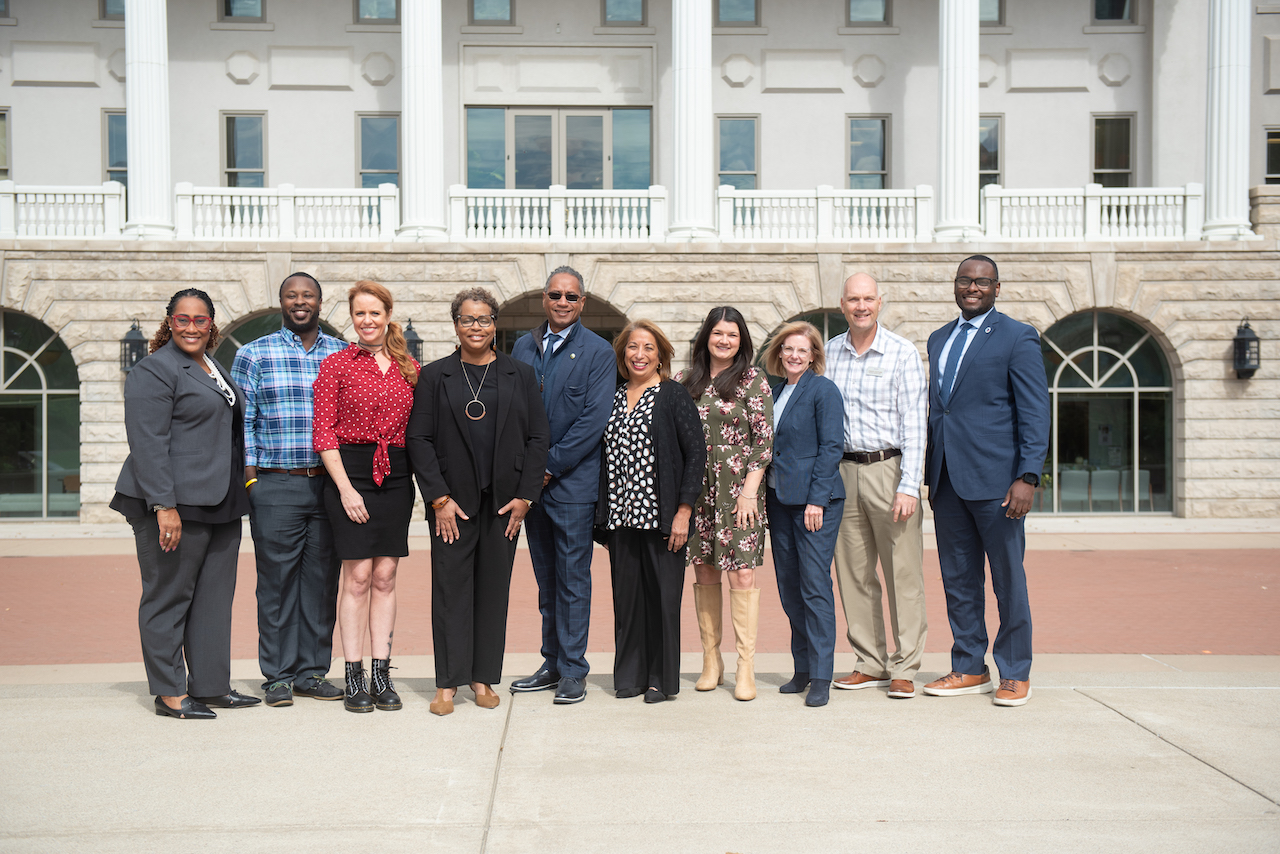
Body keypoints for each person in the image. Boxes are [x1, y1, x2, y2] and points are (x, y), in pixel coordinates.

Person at [111, 288, 258, 719]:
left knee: (214, 598)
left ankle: (211, 686)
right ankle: (171, 691)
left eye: (200, 320)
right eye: (183, 319)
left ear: (211, 323)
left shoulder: (212, 367)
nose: (191, 327)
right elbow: (148, 443)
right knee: (168, 597)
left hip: (221, 499)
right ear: (169, 322)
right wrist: (164, 506)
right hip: (173, 501)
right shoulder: (154, 370)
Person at [407, 287, 549, 717]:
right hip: (453, 505)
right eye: (468, 320)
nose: (476, 327)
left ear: (494, 325)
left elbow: (538, 437)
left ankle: (482, 677)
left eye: (484, 319)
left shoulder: (519, 374)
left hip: (503, 505)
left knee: (493, 592)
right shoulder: (436, 376)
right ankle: (447, 683)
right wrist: (438, 499)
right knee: (451, 592)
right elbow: (420, 439)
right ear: (455, 325)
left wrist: (526, 496)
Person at [922, 255, 1050, 707]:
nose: (972, 287)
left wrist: (1028, 476)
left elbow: (1035, 411)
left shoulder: (1018, 337)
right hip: (947, 480)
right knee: (958, 579)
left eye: (982, 281)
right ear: (955, 286)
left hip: (999, 483)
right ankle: (969, 666)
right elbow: (942, 411)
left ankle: (1015, 671)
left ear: (998, 288)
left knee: (1007, 579)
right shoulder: (939, 338)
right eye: (964, 280)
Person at [231, 272, 347, 708]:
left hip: (329, 487)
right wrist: (251, 481)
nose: (300, 302)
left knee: (320, 582)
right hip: (276, 485)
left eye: (308, 295)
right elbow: (245, 424)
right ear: (280, 301)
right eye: (291, 296)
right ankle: (278, 676)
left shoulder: (342, 353)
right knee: (276, 583)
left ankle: (312, 671)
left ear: (320, 301)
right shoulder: (253, 354)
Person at [509, 266, 615, 705]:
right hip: (532, 489)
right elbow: (513, 413)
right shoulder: (521, 347)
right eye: (555, 295)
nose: (563, 303)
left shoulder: (599, 351)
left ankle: (574, 670)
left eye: (572, 297)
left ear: (582, 302)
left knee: (574, 580)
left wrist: (546, 468)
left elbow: (593, 421)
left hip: (571, 486)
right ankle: (551, 662)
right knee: (546, 579)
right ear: (544, 299)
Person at [312, 280, 419, 714]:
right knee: (356, 578)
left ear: (388, 315)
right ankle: (353, 676)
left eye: (375, 313)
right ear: (351, 319)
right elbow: (323, 432)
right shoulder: (335, 364)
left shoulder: (408, 367)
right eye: (360, 313)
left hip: (395, 476)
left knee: (385, 578)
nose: (368, 320)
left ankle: (381, 674)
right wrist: (345, 489)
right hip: (349, 473)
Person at [826, 274, 929, 700]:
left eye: (868, 298)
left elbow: (915, 423)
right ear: (843, 304)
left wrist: (910, 486)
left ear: (880, 303)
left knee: (902, 572)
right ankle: (870, 662)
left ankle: (905, 666)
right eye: (854, 299)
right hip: (843, 473)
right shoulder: (829, 353)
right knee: (853, 573)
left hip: (890, 470)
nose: (861, 306)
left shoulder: (902, 353)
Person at [596, 320, 705, 703]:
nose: (639, 354)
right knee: (627, 601)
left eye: (648, 348)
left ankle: (660, 679)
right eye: (632, 347)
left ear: (660, 355)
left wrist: (683, 511)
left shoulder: (673, 395)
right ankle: (630, 676)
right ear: (623, 353)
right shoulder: (612, 395)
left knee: (662, 600)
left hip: (662, 519)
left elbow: (696, 455)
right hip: (622, 518)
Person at [680, 307, 773, 701]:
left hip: (739, 493)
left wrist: (750, 491)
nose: (724, 341)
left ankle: (745, 666)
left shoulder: (753, 380)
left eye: (731, 335)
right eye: (717, 333)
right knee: (704, 573)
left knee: (742, 576)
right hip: (697, 492)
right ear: (706, 337)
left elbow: (763, 441)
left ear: (741, 341)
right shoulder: (687, 381)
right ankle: (711, 660)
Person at [761, 322, 845, 708]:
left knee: (814, 587)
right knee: (789, 587)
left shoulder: (823, 390)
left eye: (802, 350)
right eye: (788, 349)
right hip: (778, 500)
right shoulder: (776, 390)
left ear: (813, 355)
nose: (794, 355)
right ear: (779, 353)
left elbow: (831, 448)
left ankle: (822, 676)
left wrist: (816, 499)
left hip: (815, 504)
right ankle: (803, 667)